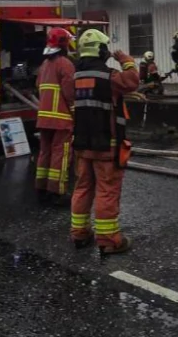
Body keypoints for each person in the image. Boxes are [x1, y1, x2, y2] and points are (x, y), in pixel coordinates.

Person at [69, 28, 140, 255]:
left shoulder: (77, 76)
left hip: (82, 143)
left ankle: (79, 233)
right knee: (106, 190)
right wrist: (125, 60)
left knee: (82, 188)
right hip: (106, 144)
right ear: (101, 50)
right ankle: (109, 241)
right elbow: (132, 81)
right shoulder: (109, 77)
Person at [33, 27, 76, 204]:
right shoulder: (65, 64)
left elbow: (38, 86)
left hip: (43, 118)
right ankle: (57, 192)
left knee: (45, 152)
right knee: (61, 153)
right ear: (64, 44)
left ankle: (41, 187)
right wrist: (75, 110)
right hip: (61, 118)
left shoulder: (44, 65)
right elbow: (70, 91)